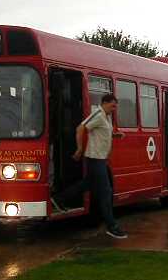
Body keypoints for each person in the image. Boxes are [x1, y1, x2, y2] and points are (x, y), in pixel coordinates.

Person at [51, 94, 128, 239]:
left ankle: (59, 199)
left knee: (86, 184)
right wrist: (80, 148)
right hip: (95, 158)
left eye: (115, 106)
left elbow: (102, 133)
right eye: (112, 105)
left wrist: (115, 135)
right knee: (106, 192)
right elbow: (81, 128)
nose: (114, 109)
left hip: (101, 159)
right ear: (104, 103)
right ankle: (112, 226)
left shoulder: (106, 116)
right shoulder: (98, 114)